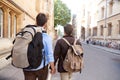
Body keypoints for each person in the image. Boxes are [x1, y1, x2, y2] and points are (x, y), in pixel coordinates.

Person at [23, 13, 56, 80]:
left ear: (36, 21)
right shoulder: (46, 37)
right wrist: (53, 67)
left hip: (27, 66)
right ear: (45, 24)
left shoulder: (27, 33)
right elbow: (49, 54)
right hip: (41, 68)